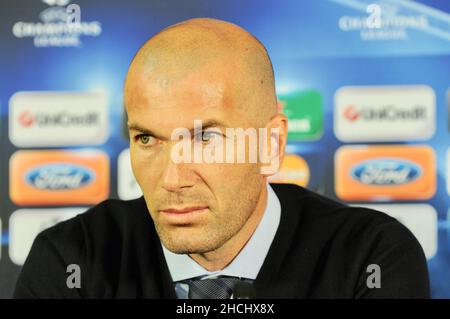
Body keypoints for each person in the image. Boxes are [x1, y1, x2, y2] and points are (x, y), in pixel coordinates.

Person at [13, 18, 429, 299]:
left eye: (205, 137)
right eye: (147, 138)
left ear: (270, 144)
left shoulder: (369, 256)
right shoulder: (71, 257)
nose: (172, 179)